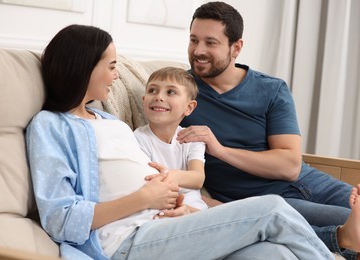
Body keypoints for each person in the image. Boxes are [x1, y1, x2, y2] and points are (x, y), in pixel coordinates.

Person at [25, 24, 334, 260]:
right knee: (273, 210)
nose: (116, 76)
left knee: (272, 254)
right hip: (126, 240)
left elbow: (152, 182)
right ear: (84, 67)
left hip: (168, 225)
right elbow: (60, 220)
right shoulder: (51, 125)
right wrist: (145, 198)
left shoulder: (108, 121)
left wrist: (179, 204)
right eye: (111, 66)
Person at [178, 2, 360, 259]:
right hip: (261, 200)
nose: (198, 50)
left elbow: (290, 165)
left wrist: (219, 150)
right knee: (353, 227)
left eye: (210, 42)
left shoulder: (271, 89)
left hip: (308, 182)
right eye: (194, 40)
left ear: (236, 47)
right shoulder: (181, 92)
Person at [134, 67, 207, 213]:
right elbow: (150, 187)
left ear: (189, 107)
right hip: (162, 208)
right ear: (144, 101)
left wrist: (170, 175)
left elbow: (198, 178)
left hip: (196, 209)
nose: (159, 97)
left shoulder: (191, 138)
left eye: (171, 92)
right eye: (152, 90)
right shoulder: (138, 139)